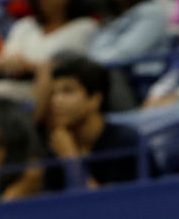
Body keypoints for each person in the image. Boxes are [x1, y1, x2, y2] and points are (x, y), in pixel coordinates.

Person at [0, 0, 97, 101]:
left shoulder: (85, 27)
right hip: (12, 85)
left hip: (55, 95)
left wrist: (28, 66)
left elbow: (71, 70)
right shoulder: (25, 25)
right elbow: (5, 61)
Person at [38, 56, 139, 190]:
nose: (56, 100)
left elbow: (109, 206)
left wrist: (72, 160)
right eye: (54, 93)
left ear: (95, 99)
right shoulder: (58, 148)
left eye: (67, 91)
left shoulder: (125, 143)